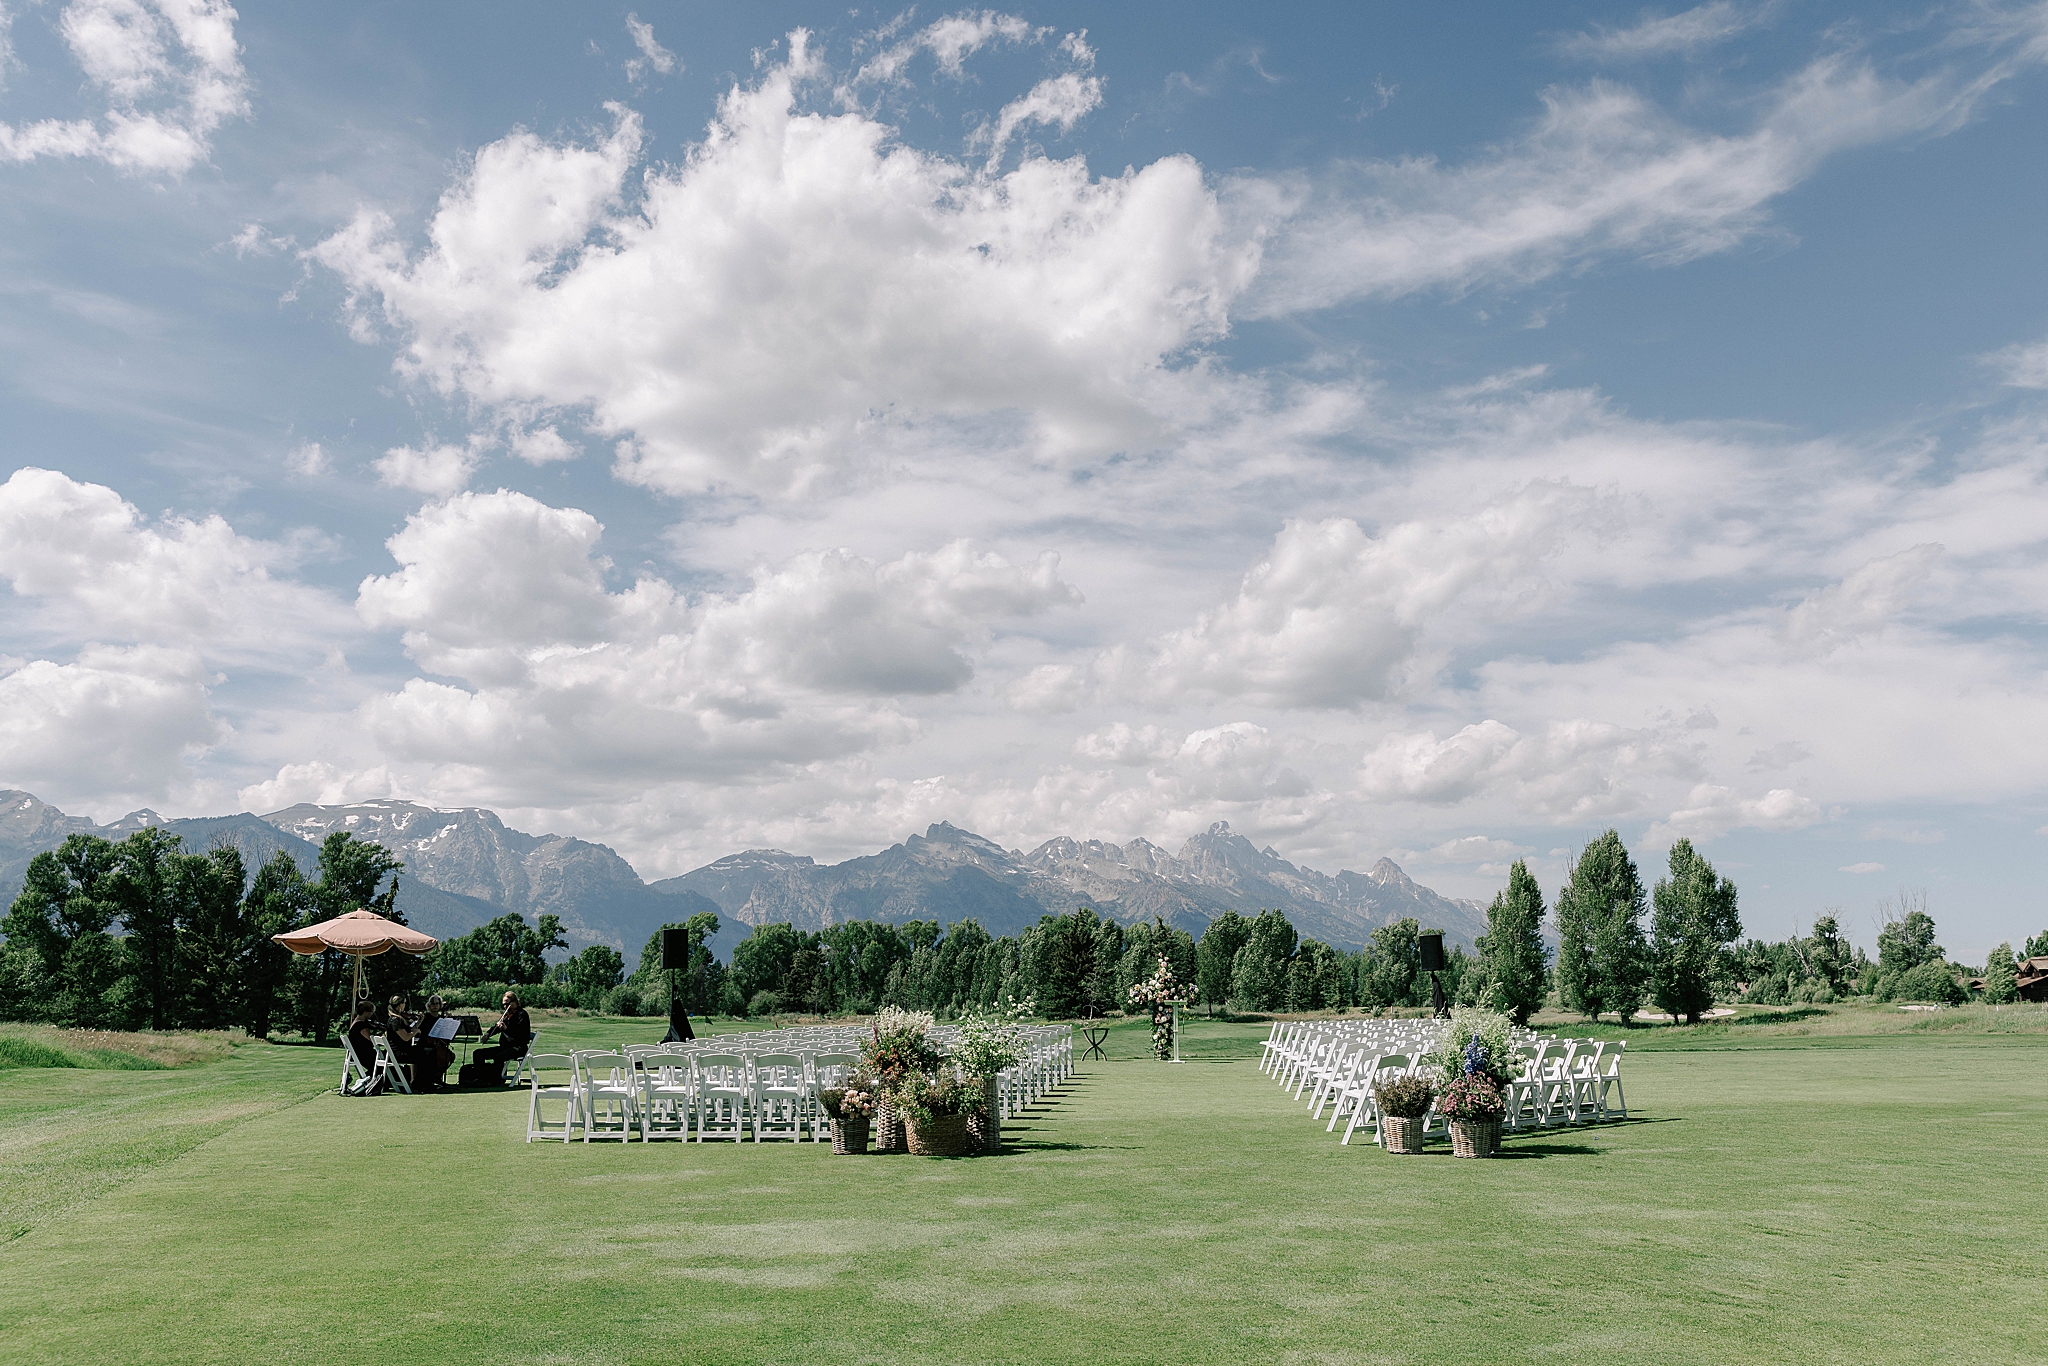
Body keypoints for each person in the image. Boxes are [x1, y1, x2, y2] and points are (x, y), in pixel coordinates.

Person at [473, 990, 532, 1084]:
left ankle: (496, 1080)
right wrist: (488, 1034)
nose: (505, 1007)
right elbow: (497, 1027)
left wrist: (506, 1029)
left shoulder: (522, 1015)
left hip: (517, 1047)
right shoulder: (507, 1015)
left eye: (507, 1004)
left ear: (514, 1002)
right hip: (505, 1047)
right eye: (503, 1004)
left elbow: (520, 1035)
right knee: (478, 1053)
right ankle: (481, 1078)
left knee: (498, 1057)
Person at [414, 994, 456, 1090]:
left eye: (437, 1004)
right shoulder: (425, 1018)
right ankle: (429, 1079)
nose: (435, 1006)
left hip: (438, 1045)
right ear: (429, 1005)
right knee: (431, 1055)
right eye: (432, 1004)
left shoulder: (442, 1019)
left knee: (450, 1056)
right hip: (425, 1044)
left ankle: (437, 1077)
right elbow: (418, 1032)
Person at [343, 999, 381, 1094]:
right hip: (365, 1056)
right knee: (385, 1060)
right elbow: (371, 1040)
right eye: (371, 1013)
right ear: (365, 1012)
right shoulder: (361, 1026)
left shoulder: (355, 1022)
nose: (371, 1015)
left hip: (360, 1055)